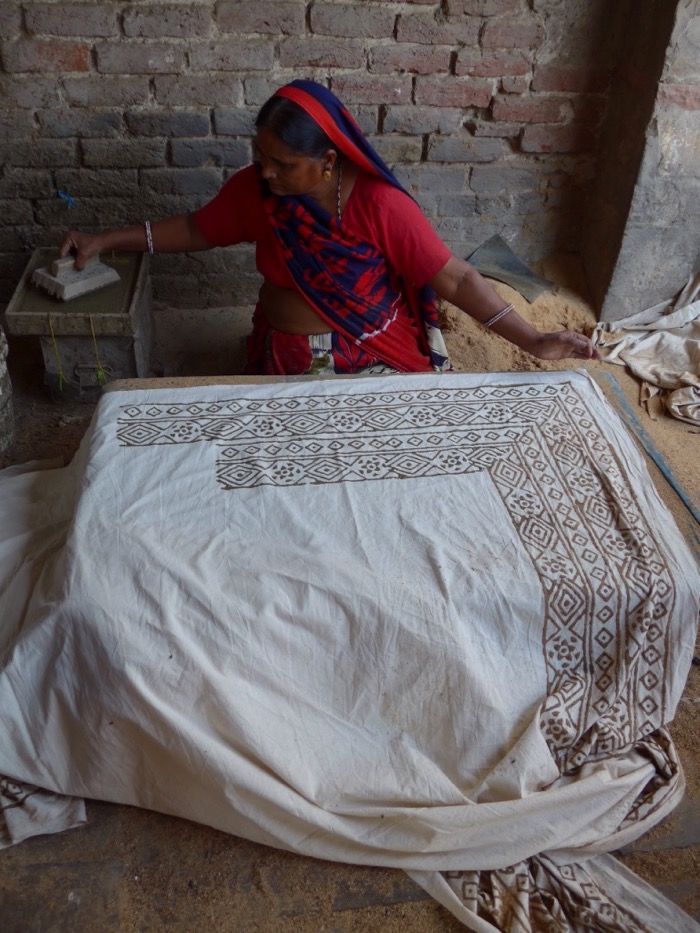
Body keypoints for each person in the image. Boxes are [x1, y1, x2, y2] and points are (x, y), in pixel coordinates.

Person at [60, 79, 599, 376]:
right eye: (260, 156)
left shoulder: (381, 206)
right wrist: (105, 240)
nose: (265, 172)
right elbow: (198, 231)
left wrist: (533, 339)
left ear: (327, 160)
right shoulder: (260, 191)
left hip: (365, 355)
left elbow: (455, 279)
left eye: (282, 164)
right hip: (280, 349)